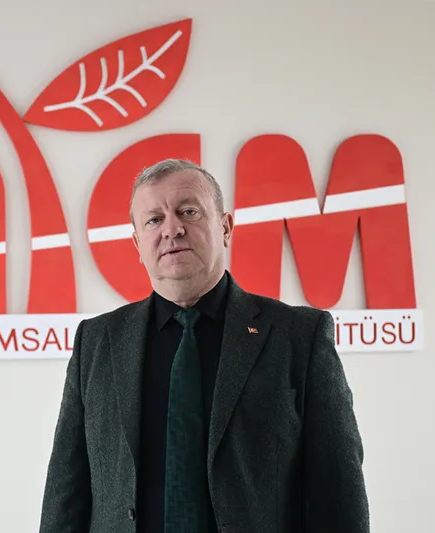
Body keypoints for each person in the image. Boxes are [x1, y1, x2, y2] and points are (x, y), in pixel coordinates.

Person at [38, 159, 369, 533]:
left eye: (188, 212)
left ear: (225, 227)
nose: (172, 229)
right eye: (154, 220)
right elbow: (66, 492)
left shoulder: (299, 336)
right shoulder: (97, 341)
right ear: (137, 243)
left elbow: (338, 493)